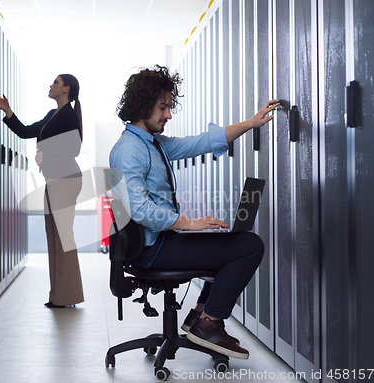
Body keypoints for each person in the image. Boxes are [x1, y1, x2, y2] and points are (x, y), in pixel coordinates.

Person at [109, 65, 279, 360]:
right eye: (163, 107)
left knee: (230, 244)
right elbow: (139, 209)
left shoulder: (151, 144)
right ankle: (208, 324)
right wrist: (188, 224)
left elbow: (198, 143)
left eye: (169, 107)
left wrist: (251, 123)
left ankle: (200, 315)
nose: (168, 115)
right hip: (152, 249)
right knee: (249, 247)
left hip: (160, 242)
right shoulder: (129, 150)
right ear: (142, 105)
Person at [0, 74, 85, 308]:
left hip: (66, 179)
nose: (51, 85)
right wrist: (8, 112)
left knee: (62, 237)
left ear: (66, 89)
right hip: (55, 179)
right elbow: (25, 131)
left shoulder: (68, 116)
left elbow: (74, 147)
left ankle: (68, 295)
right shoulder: (52, 114)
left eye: (55, 82)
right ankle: (58, 294)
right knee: (54, 237)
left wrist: (46, 156)